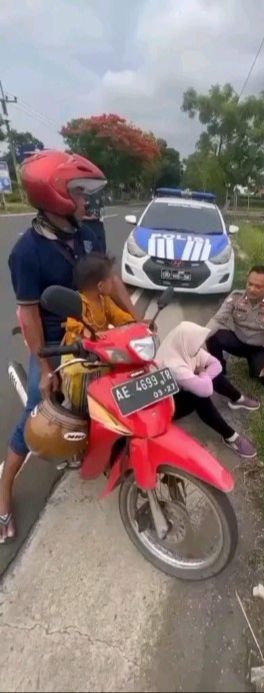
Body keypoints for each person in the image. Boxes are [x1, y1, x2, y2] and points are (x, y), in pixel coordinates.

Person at [0, 150, 140, 543]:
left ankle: (91, 451)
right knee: (36, 416)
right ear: (55, 196)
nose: (85, 201)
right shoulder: (26, 252)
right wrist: (45, 369)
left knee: (117, 390)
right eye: (78, 193)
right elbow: (28, 316)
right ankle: (4, 495)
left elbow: (110, 281)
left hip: (96, 329)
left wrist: (136, 322)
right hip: (56, 346)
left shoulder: (90, 231)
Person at [157, 321, 259, 459]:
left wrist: (202, 376)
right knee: (199, 396)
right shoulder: (173, 365)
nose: (201, 347)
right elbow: (206, 390)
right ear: (187, 341)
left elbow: (216, 365)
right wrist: (202, 376)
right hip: (167, 407)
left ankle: (238, 398)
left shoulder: (184, 347)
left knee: (206, 374)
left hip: (182, 387)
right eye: (197, 343)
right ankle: (231, 437)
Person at [61, 253, 135, 414]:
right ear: (101, 286)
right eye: (111, 279)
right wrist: (87, 332)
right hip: (79, 356)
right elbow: (74, 325)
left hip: (102, 352)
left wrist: (134, 324)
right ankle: (71, 409)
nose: (113, 282)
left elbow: (119, 317)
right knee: (77, 387)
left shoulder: (104, 300)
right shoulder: (79, 302)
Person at [206, 265, 264, 389]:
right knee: (213, 336)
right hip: (239, 341)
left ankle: (256, 363)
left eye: (258, 286)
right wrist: (199, 338)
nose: (252, 289)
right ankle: (218, 368)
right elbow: (218, 320)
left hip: (261, 347)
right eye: (250, 284)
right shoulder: (236, 297)